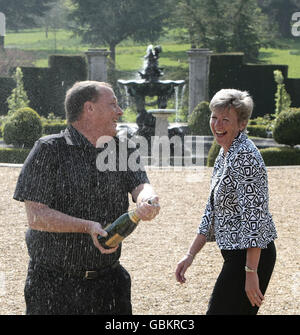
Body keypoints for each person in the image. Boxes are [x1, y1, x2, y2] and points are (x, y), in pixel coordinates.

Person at [13, 81, 160, 315]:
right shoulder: (48, 150)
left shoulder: (123, 149)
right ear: (89, 108)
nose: (120, 111)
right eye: (113, 104)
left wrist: (147, 199)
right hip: (53, 287)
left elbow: (141, 185)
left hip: (110, 285)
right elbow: (36, 216)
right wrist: (87, 227)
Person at [175, 89, 277, 315]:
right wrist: (190, 255)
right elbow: (212, 209)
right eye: (214, 117)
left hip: (251, 255)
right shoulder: (225, 152)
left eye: (225, 119)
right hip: (238, 255)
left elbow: (255, 219)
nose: (217, 124)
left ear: (241, 124)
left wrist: (251, 272)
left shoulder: (246, 157)